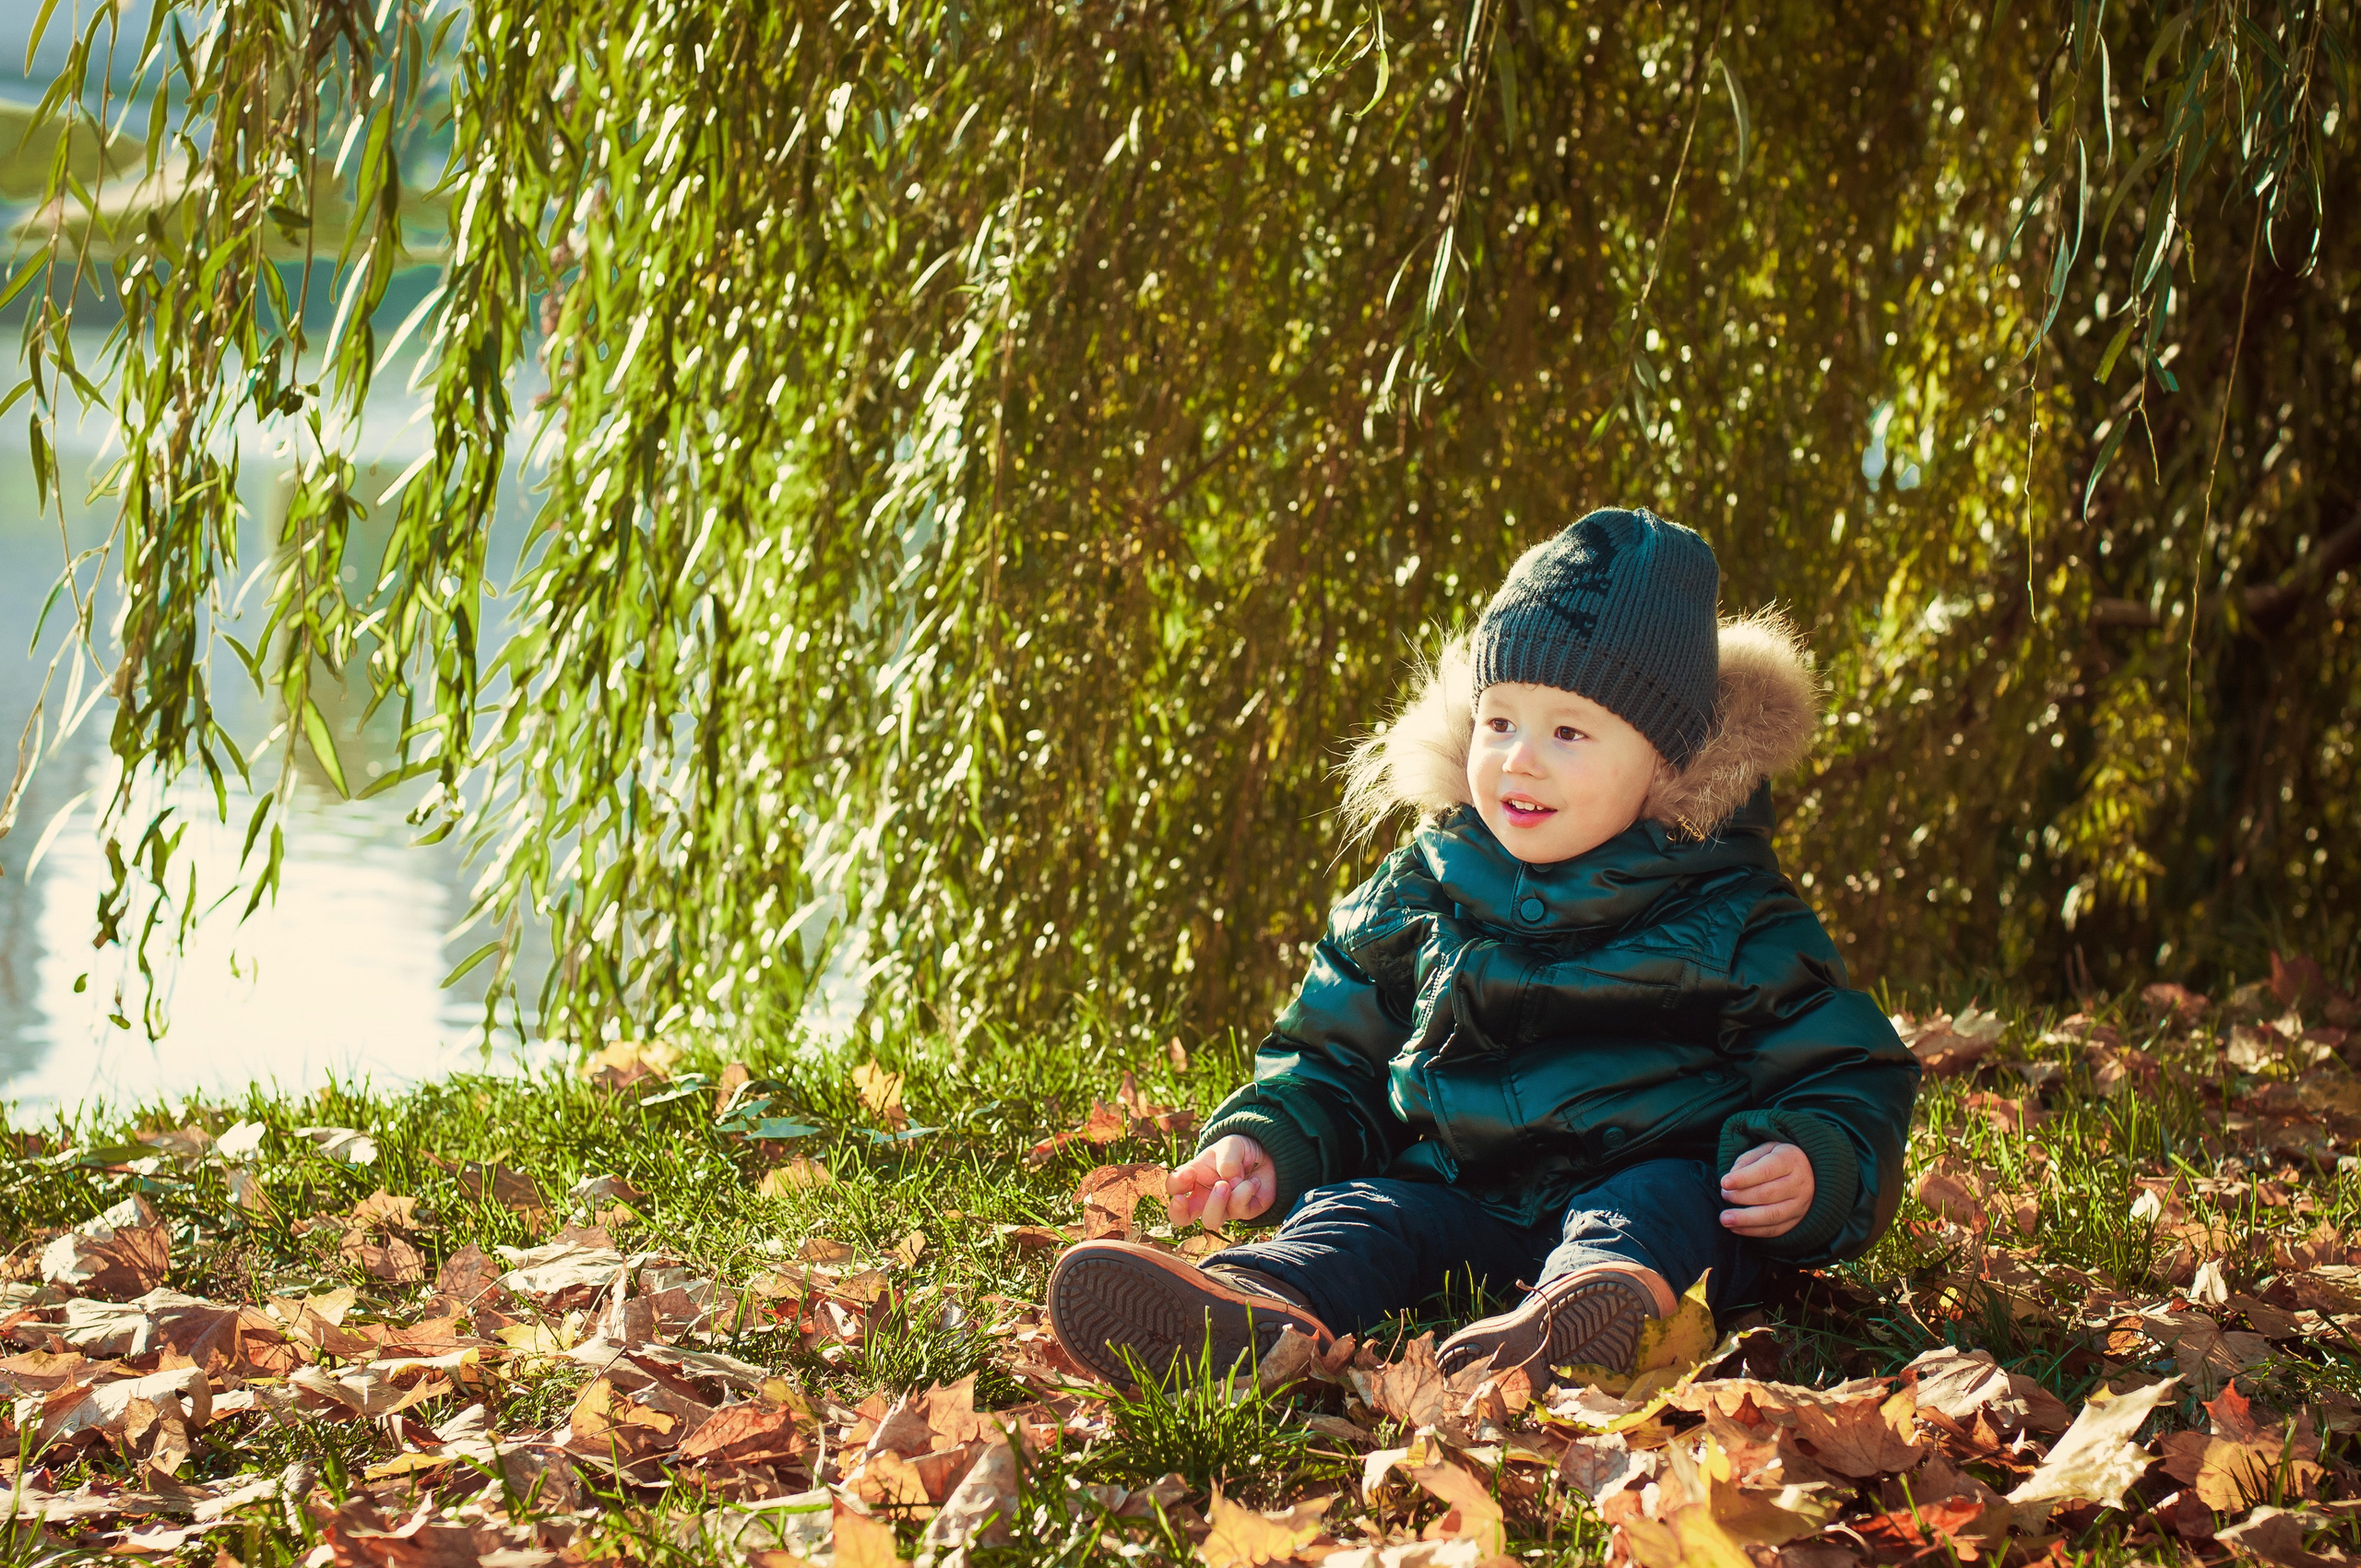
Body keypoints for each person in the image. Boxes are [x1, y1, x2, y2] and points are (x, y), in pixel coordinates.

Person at [1045, 507, 1921, 1388]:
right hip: (1457, 1193)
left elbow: (1845, 1066)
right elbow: (1333, 1051)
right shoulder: (1424, 885)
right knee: (1366, 1217)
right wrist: (1276, 1137)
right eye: (1499, 722)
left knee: (1662, 1206)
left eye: (1568, 732)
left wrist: (1819, 1159)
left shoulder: (1731, 908)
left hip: (1651, 1188)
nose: (1518, 761)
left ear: (1666, 760)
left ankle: (1595, 1310)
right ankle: (1259, 1307)